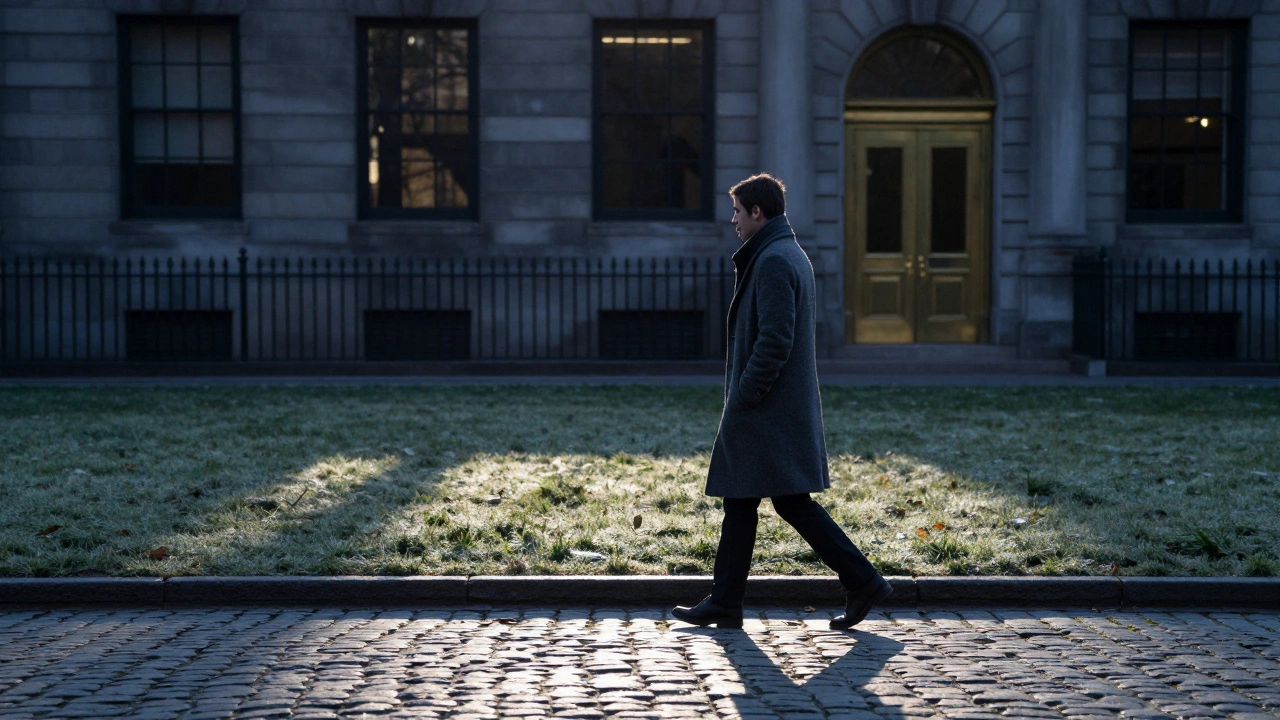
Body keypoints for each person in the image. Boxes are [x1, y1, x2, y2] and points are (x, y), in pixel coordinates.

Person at [671, 173, 892, 631]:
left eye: (737, 211)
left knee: (785, 501)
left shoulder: (773, 259)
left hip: (767, 409)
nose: (732, 219)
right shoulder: (784, 252)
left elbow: (775, 339)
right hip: (775, 408)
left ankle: (863, 580)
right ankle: (727, 601)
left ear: (759, 212)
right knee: (746, 500)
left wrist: (746, 395)